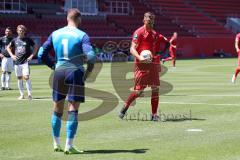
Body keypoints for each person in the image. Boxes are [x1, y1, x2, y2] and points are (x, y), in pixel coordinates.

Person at [38, 9, 96, 154]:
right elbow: (91, 57)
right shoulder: (82, 35)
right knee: (73, 110)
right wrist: (88, 72)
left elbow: (40, 54)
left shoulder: (55, 33)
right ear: (79, 19)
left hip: (59, 72)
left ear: (67, 18)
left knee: (57, 109)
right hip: (75, 72)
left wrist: (53, 65)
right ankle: (68, 146)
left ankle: (55, 143)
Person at [119, 12, 169, 121]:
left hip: (153, 64)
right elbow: (132, 48)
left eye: (152, 19)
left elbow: (167, 43)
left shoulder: (155, 34)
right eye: (148, 19)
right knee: (139, 91)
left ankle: (154, 114)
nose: (150, 21)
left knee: (155, 88)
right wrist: (140, 57)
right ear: (144, 20)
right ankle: (126, 105)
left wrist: (160, 53)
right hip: (141, 65)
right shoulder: (139, 32)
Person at [7, 25, 38, 100]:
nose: (21, 31)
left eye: (22, 30)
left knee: (26, 77)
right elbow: (8, 47)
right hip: (17, 62)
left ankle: (30, 94)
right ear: (17, 31)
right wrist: (12, 55)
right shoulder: (14, 40)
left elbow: (35, 47)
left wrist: (31, 56)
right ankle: (22, 95)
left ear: (24, 31)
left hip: (25, 62)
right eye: (19, 30)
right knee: (19, 78)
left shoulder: (28, 39)